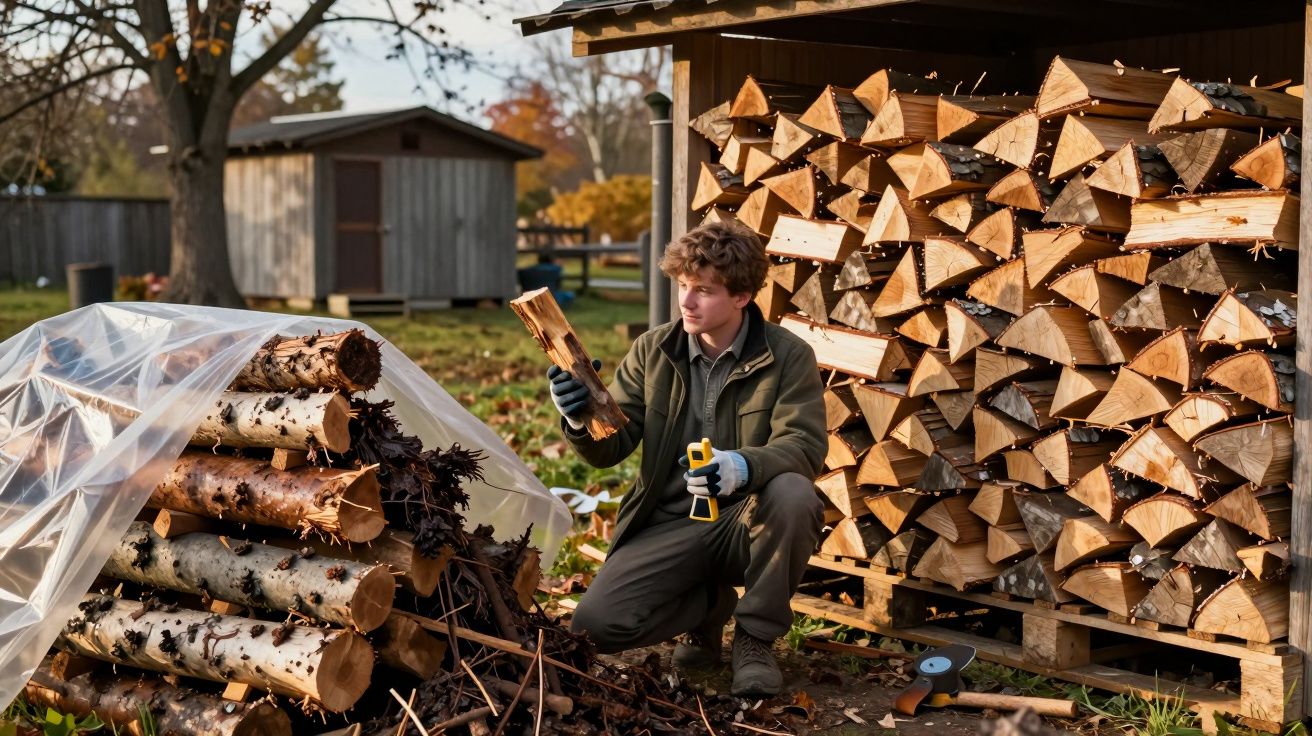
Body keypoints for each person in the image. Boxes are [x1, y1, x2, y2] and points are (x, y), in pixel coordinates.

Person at [545, 221, 826, 697]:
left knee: (794, 491)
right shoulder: (652, 350)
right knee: (593, 628)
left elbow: (803, 446)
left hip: (746, 520)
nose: (686, 302)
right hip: (668, 522)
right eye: (682, 286)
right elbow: (612, 447)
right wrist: (578, 418)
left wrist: (741, 466)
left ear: (742, 297)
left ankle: (755, 640)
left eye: (704, 291)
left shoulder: (788, 356)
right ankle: (709, 609)